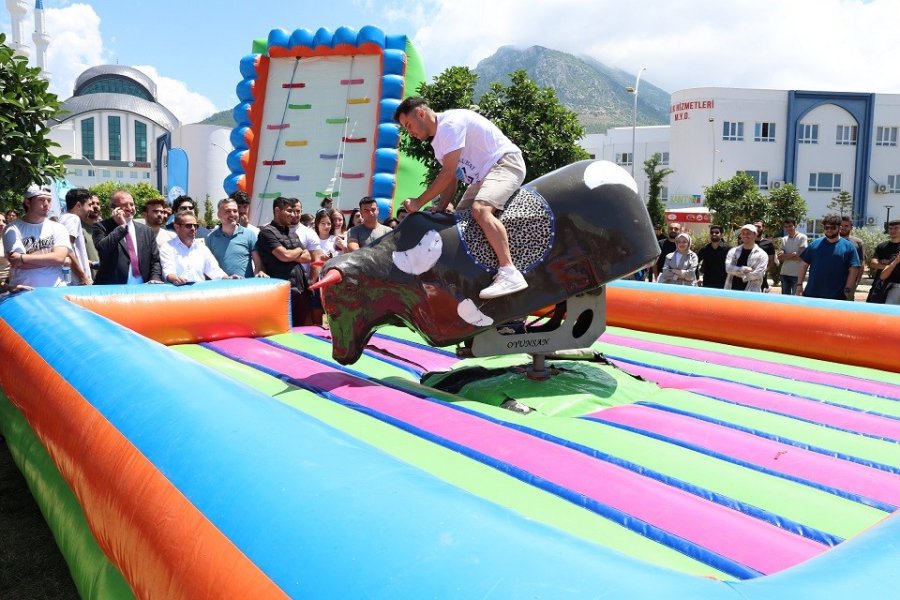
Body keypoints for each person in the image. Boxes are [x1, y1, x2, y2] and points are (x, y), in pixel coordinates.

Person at [395, 97, 527, 299]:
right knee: (458, 221)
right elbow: (452, 179)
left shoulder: (450, 124)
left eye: (409, 125)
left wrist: (418, 202)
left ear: (421, 113)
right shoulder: (438, 144)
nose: (409, 132)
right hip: (482, 178)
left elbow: (447, 174)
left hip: (504, 163)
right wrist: (440, 207)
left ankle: (509, 271)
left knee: (480, 209)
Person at [257, 197, 314, 326]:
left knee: (302, 328)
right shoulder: (267, 233)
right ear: (277, 210)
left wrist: (291, 254)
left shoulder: (292, 233)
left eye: (295, 211)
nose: (293, 214)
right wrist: (298, 249)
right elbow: (284, 255)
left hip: (300, 289)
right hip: (281, 290)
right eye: (289, 211)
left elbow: (308, 257)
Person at [2, 184, 71, 288]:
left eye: (49, 200)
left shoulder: (58, 228)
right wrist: (52, 260)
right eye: (41, 200)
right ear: (28, 202)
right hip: (23, 290)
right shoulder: (12, 229)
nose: (46, 204)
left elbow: (59, 258)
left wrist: (22, 257)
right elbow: (17, 263)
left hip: (56, 288)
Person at [93, 189, 163, 285]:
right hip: (113, 288)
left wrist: (155, 278)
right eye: (125, 205)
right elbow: (103, 248)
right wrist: (121, 227)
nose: (130, 208)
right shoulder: (101, 227)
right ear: (114, 209)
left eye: (132, 204)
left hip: (143, 287)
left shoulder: (146, 231)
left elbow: (155, 260)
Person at [160, 211, 236, 285]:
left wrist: (228, 279)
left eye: (195, 226)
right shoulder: (167, 247)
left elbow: (214, 270)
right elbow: (168, 272)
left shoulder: (202, 248)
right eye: (188, 225)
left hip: (199, 294)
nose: (193, 229)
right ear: (177, 227)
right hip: (177, 293)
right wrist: (175, 278)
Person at [796, 214, 860, 300]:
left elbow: (854, 270)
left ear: (839, 228)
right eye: (826, 228)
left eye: (833, 228)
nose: (829, 230)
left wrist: (847, 290)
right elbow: (803, 265)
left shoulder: (849, 247)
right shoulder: (814, 244)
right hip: (811, 294)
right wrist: (799, 285)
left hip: (836, 297)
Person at [206, 198, 266, 278]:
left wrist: (259, 273)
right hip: (220, 287)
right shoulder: (211, 238)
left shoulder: (249, 235)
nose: (232, 214)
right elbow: (207, 266)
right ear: (219, 215)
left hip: (245, 287)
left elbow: (258, 264)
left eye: (235, 211)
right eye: (228, 211)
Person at [58, 188, 93, 286]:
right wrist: (83, 277)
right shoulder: (73, 218)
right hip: (76, 281)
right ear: (78, 205)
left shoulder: (63, 218)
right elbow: (67, 249)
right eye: (89, 205)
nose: (91, 209)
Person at [724, 224, 769, 292]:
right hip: (731, 291)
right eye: (743, 233)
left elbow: (759, 273)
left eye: (748, 233)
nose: (745, 235)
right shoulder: (733, 251)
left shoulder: (762, 254)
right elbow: (728, 268)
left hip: (751, 293)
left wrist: (742, 276)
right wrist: (743, 269)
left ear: (755, 235)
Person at [869, 218, 900, 305]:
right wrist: (892, 265)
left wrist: (884, 263)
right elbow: (873, 263)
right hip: (880, 284)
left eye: (896, 228)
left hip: (897, 286)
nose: (893, 231)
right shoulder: (882, 246)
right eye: (890, 228)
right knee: (873, 308)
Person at [776, 217, 808, 295]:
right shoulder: (784, 239)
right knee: (784, 300)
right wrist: (792, 254)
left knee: (794, 300)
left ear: (795, 225)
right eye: (786, 227)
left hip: (797, 274)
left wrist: (786, 256)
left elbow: (800, 257)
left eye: (790, 226)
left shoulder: (802, 238)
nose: (788, 228)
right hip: (784, 273)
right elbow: (779, 257)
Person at [839, 215, 866, 294]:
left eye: (846, 226)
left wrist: (857, 281)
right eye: (841, 225)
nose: (843, 228)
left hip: (850, 281)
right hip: (832, 279)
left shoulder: (858, 243)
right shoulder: (831, 241)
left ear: (851, 227)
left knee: (847, 303)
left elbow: (861, 263)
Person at [753, 220, 776, 292]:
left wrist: (763, 272)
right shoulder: (746, 242)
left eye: (759, 227)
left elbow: (771, 262)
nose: (756, 228)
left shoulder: (768, 244)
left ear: (763, 228)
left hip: (761, 278)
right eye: (755, 226)